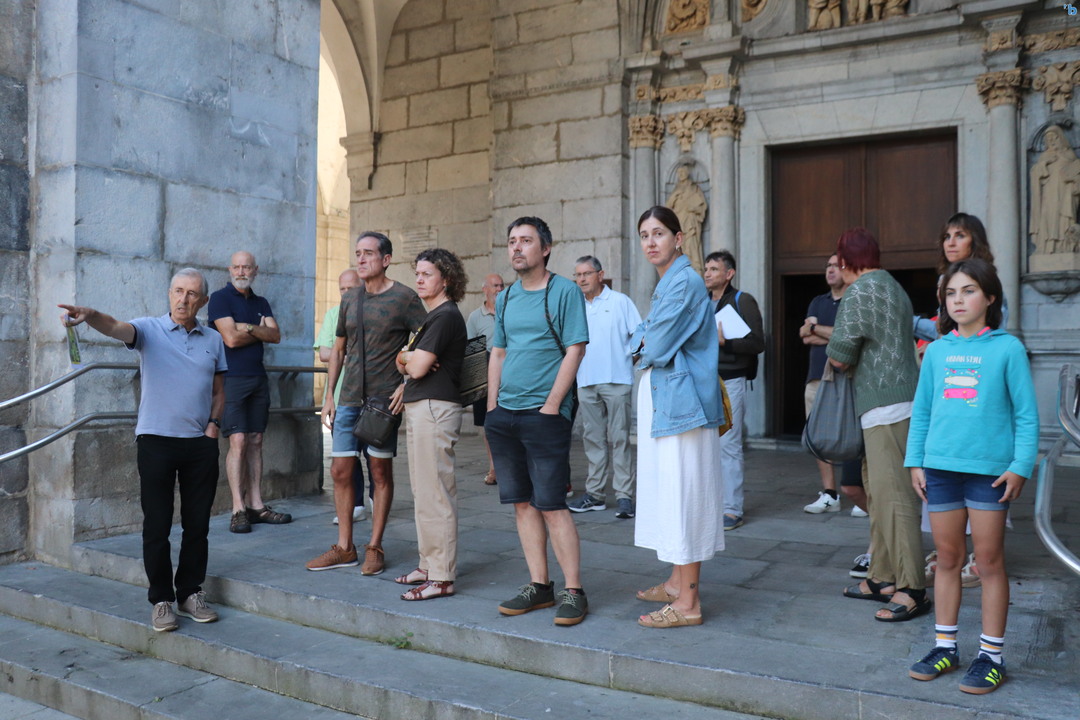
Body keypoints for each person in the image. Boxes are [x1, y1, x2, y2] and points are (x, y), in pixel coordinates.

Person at [59, 269, 226, 632]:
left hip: (199, 444)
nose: (183, 299)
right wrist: (91, 315)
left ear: (203, 301)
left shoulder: (213, 340)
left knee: (198, 525)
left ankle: (190, 593)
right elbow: (115, 327)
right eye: (178, 291)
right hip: (156, 442)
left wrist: (213, 426)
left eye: (192, 294)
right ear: (169, 294)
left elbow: (218, 391)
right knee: (157, 525)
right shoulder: (149, 329)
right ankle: (162, 600)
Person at [905, 258, 1038, 694]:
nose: (958, 300)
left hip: (989, 475)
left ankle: (991, 657)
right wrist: (915, 461)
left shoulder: (1007, 349)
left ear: (990, 297)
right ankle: (945, 648)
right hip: (940, 470)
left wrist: (1020, 466)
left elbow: (1026, 414)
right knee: (947, 559)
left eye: (968, 291)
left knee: (989, 562)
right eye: (950, 293)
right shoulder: (937, 351)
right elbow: (923, 411)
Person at [486, 216, 590, 626]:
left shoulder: (564, 291)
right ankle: (540, 585)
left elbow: (575, 349)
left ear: (545, 249)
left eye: (526, 240)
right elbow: (498, 352)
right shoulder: (507, 297)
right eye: (512, 241)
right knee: (522, 504)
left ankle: (574, 591)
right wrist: (492, 408)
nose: (516, 247)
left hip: (544, 415)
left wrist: (552, 406)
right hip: (505, 414)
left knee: (552, 505)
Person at [309, 232, 426, 574]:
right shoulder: (350, 298)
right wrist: (329, 396)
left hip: (383, 400)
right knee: (340, 470)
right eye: (358, 253)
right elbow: (338, 350)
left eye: (368, 253)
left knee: (379, 471)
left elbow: (427, 341)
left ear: (386, 259)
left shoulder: (405, 298)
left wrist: (407, 384)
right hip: (348, 398)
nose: (361, 259)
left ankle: (375, 546)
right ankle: (345, 547)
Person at [632, 206, 725, 628]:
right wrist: (644, 340)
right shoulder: (670, 281)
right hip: (669, 403)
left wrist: (643, 342)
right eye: (644, 235)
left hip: (683, 406)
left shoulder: (684, 281)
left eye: (658, 233)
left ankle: (688, 603)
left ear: (679, 238)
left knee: (684, 496)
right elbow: (642, 338)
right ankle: (675, 583)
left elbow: (651, 346)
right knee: (671, 493)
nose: (651, 242)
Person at [830, 228, 927, 623]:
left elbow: (839, 354)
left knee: (896, 500)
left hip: (884, 406)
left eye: (838, 260)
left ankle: (912, 588)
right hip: (897, 402)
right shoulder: (893, 287)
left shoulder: (860, 292)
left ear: (846, 261)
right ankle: (882, 577)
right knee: (880, 493)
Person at [913, 212, 1004, 589]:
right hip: (948, 387)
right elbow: (944, 330)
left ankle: (979, 556)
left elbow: (989, 332)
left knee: (978, 475)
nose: (951, 242)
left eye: (960, 235)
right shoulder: (944, 280)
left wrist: (913, 322)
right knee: (945, 468)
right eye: (947, 236)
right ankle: (951, 552)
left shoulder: (986, 282)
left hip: (977, 392)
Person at [394, 248, 469, 601]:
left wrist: (410, 359)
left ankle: (441, 576)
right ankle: (428, 564)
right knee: (423, 492)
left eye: (427, 274)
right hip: (423, 405)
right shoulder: (432, 317)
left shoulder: (445, 316)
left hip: (435, 407)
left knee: (436, 493)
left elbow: (417, 367)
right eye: (417, 273)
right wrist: (407, 357)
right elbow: (404, 361)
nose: (419, 280)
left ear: (447, 279)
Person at [208, 251, 290, 533]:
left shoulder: (261, 302)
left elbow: (275, 335)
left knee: (256, 440)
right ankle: (238, 509)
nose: (241, 271)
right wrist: (258, 330)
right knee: (239, 440)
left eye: (247, 267)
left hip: (258, 378)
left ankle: (257, 505)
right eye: (237, 267)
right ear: (230, 269)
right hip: (230, 379)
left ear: (255, 270)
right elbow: (230, 339)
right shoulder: (220, 298)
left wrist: (246, 327)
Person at [567, 255, 642, 519]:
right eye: (578, 275)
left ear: (600, 275)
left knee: (620, 439)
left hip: (617, 381)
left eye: (586, 273)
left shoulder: (620, 301)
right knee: (593, 440)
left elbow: (640, 334)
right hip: (586, 381)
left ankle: (624, 497)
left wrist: (628, 361)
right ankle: (596, 495)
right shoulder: (575, 306)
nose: (582, 279)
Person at [703, 250, 765, 531]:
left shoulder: (743, 300)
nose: (707, 274)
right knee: (706, 446)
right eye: (706, 269)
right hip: (703, 382)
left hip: (730, 381)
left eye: (714, 269)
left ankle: (732, 508)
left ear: (729, 274)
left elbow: (757, 343)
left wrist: (725, 342)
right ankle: (712, 503)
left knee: (728, 444)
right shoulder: (702, 303)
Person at [799, 254, 863, 515]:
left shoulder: (855, 300)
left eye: (836, 266)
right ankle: (830, 494)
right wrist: (831, 333)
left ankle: (860, 492)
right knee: (819, 437)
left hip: (849, 380)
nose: (831, 270)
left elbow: (850, 337)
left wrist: (817, 329)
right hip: (817, 379)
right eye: (828, 266)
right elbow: (804, 335)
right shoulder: (818, 301)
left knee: (852, 435)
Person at [315, 268, 370, 525]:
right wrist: (352, 356)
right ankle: (356, 504)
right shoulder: (333, 314)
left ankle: (376, 498)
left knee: (374, 455)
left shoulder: (372, 311)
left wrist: (342, 354)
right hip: (341, 396)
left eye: (351, 288)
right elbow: (325, 353)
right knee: (347, 456)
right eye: (342, 289)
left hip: (371, 396)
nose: (346, 293)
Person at [464, 273, 505, 485]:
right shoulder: (475, 317)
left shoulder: (510, 311)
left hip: (509, 373)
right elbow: (471, 351)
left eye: (501, 285)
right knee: (488, 424)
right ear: (485, 289)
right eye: (495, 286)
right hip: (485, 373)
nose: (499, 289)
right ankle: (494, 467)